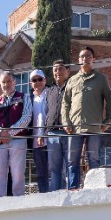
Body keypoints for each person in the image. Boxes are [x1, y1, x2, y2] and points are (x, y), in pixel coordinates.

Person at [61, 46, 111, 190]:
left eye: (88, 56)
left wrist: (107, 121)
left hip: (94, 127)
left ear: (93, 59)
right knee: (72, 160)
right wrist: (66, 122)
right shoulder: (72, 80)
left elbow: (109, 100)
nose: (85, 59)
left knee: (94, 159)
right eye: (82, 57)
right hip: (74, 128)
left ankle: (95, 188)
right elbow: (65, 103)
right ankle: (73, 188)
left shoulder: (101, 79)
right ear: (78, 60)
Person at [0, 72, 31, 197]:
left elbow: (27, 117)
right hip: (0, 141)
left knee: (17, 172)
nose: (6, 84)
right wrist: (1, 133)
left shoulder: (24, 97)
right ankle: (0, 200)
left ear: (14, 82)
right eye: (3, 82)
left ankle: (18, 198)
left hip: (18, 139)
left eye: (8, 81)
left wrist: (10, 132)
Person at [46, 60, 71, 191]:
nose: (57, 72)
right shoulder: (49, 91)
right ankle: (54, 195)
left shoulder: (72, 87)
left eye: (61, 69)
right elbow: (47, 111)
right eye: (55, 69)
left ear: (68, 71)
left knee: (69, 167)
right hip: (52, 133)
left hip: (68, 132)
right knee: (54, 169)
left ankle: (70, 194)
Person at [29, 69, 50, 193]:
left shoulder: (51, 94)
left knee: (55, 171)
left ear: (45, 80)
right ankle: (44, 197)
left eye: (39, 79)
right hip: (35, 143)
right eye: (34, 80)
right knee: (41, 173)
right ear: (31, 83)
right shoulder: (28, 99)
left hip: (51, 139)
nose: (37, 82)